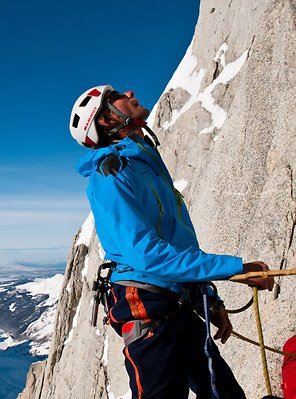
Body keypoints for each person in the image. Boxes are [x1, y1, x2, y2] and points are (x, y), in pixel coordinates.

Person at [69, 85, 275, 399]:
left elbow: (176, 245)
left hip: (174, 301)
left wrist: (210, 299)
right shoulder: (111, 175)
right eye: (115, 97)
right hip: (146, 306)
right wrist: (236, 268)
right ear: (108, 120)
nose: (130, 92)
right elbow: (147, 255)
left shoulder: (142, 165)